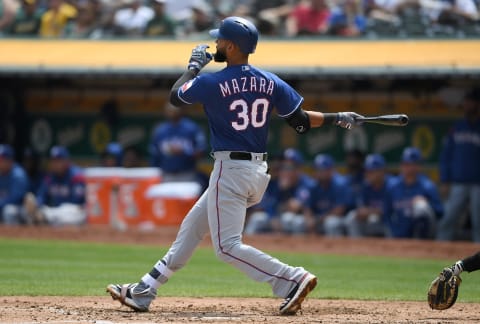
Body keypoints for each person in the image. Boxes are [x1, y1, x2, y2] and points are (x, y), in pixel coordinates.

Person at [107, 16, 363, 315]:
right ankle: (144, 290)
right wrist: (337, 116)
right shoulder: (270, 81)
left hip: (230, 170)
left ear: (230, 46)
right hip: (256, 173)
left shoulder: (212, 81)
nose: (215, 44)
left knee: (227, 247)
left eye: (220, 41)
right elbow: (302, 122)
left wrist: (193, 66)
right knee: (192, 228)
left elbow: (175, 97)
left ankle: (292, 278)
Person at [437, 88, 480, 243]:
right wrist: (444, 180)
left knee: (478, 224)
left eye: (471, 102)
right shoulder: (457, 127)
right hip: (458, 183)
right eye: (466, 102)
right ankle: (438, 250)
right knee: (448, 218)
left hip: (478, 184)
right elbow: (446, 156)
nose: (467, 105)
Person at [244, 148, 314, 235]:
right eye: (282, 167)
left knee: (290, 219)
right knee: (257, 218)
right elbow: (267, 204)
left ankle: (297, 246)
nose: (284, 171)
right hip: (274, 217)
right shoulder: (274, 182)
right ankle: (246, 245)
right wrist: (273, 216)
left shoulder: (306, 182)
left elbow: (295, 207)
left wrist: (285, 190)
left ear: (298, 169)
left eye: (289, 168)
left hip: (299, 219)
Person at [383, 147, 443, 239]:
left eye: (413, 164)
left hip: (424, 233)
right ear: (401, 165)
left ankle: (421, 243)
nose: (410, 168)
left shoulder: (427, 186)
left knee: (421, 206)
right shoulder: (392, 186)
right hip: (399, 231)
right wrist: (393, 231)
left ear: (419, 166)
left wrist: (427, 203)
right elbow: (386, 213)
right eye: (406, 164)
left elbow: (440, 211)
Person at [24, 145, 86, 226]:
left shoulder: (76, 176)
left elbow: (77, 202)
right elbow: (42, 196)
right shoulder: (50, 177)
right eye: (53, 160)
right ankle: (43, 217)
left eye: (58, 160)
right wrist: (36, 204)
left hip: (75, 212)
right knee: (44, 211)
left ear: (67, 161)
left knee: (69, 210)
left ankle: (45, 217)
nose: (55, 163)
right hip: (55, 212)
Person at [149, 103, 207, 183]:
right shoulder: (160, 130)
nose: (172, 112)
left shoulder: (192, 128)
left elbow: (201, 151)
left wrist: (184, 152)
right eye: (169, 110)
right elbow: (154, 154)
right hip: (166, 174)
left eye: (175, 109)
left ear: (182, 110)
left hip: (187, 173)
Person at [304, 154, 352, 236]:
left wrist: (320, 219)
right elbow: (307, 207)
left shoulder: (340, 183)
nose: (318, 173)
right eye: (317, 169)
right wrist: (309, 220)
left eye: (321, 170)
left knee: (331, 223)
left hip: (340, 218)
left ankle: (336, 247)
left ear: (330, 170)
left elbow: (340, 210)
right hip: (319, 218)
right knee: (300, 222)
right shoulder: (313, 185)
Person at [345, 153, 391, 238]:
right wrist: (370, 212)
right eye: (367, 171)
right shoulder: (365, 186)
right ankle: (358, 246)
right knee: (351, 218)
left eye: (371, 171)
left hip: (389, 223)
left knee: (373, 219)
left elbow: (390, 210)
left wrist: (372, 211)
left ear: (381, 171)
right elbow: (361, 209)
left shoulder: (391, 186)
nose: (367, 174)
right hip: (371, 221)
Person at [0, 144, 29, 225]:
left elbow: (14, 198)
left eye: (1, 160)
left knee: (9, 211)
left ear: (9, 160)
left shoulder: (18, 175)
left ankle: (15, 235)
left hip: (19, 208)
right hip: (2, 206)